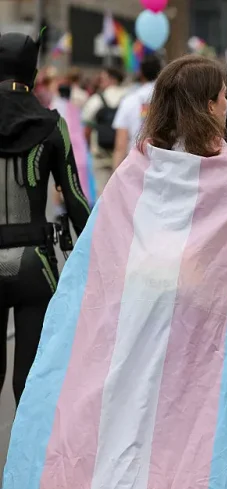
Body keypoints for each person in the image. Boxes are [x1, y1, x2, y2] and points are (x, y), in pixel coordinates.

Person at [0, 55, 227, 489]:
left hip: (133, 319)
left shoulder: (135, 169)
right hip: (197, 340)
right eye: (222, 96)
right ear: (207, 104)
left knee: (123, 417)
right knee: (181, 429)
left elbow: (102, 258)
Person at [0, 32, 91, 406]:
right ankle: (24, 464)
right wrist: (101, 256)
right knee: (30, 381)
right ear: (34, 73)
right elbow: (75, 200)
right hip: (34, 264)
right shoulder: (52, 125)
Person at [81, 66, 127, 196]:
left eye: (103, 79)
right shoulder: (129, 97)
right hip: (123, 154)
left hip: (100, 152)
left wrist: (89, 145)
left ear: (111, 79)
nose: (100, 82)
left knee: (101, 193)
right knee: (120, 194)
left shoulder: (96, 99)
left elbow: (87, 125)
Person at [112, 54, 162, 170]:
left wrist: (115, 174)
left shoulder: (129, 100)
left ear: (141, 73)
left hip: (135, 166)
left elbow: (121, 144)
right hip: (163, 166)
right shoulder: (171, 100)